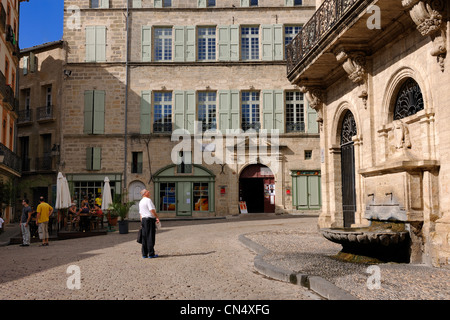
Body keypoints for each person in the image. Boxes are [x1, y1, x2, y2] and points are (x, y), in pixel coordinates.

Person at [139, 189, 160, 259]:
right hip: (149, 219)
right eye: (148, 191)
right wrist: (157, 217)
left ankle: (144, 254)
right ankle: (151, 253)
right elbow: (152, 210)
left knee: (144, 237)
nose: (149, 192)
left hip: (144, 220)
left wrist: (141, 222)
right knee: (150, 236)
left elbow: (141, 214)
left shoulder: (140, 202)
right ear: (145, 193)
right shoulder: (148, 200)